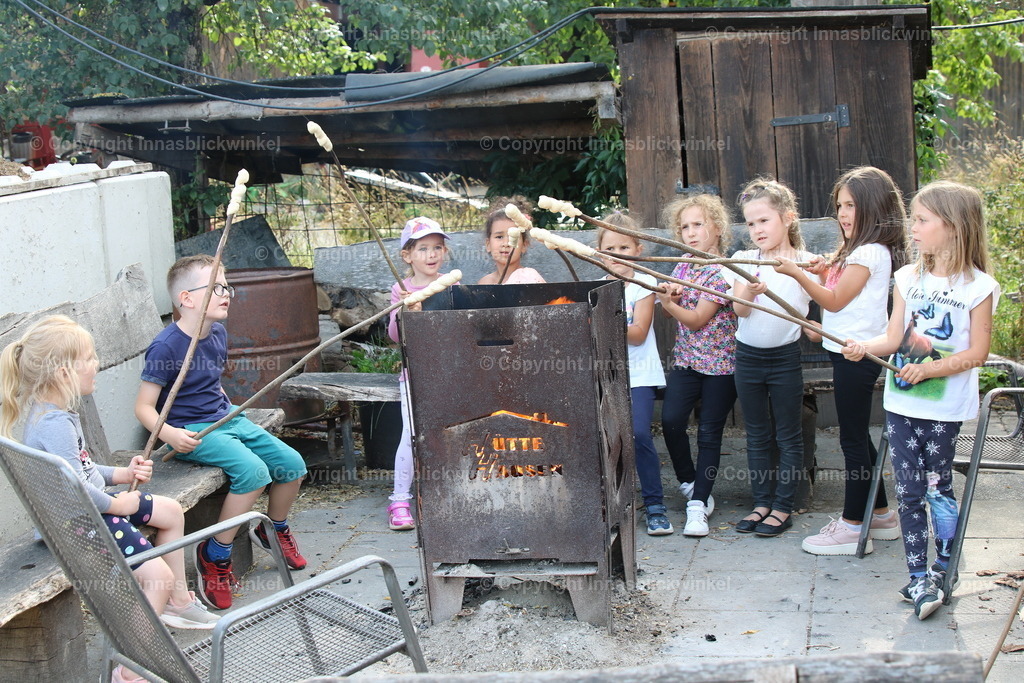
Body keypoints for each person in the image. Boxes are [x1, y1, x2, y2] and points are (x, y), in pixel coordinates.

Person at [1, 316, 219, 682]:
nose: (96, 364)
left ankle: (179, 605)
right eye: (89, 358)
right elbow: (76, 490)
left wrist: (122, 474)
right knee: (157, 578)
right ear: (63, 372)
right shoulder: (53, 424)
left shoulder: (54, 413)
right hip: (78, 521)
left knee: (168, 511)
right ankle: (131, 669)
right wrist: (118, 504)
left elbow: (80, 470)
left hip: (88, 508)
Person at [843, 180, 998, 620]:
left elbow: (977, 354)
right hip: (901, 403)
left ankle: (943, 571)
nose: (912, 227)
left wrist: (929, 368)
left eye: (922, 220)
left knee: (937, 488)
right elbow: (893, 337)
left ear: (951, 227)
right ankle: (917, 578)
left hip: (944, 409)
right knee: (908, 491)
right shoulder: (907, 277)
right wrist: (863, 346)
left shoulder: (979, 286)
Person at [135, 255, 308, 612]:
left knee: (292, 464)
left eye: (226, 286)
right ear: (186, 298)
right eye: (215, 287)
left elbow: (209, 383)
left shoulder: (216, 332)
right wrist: (171, 434)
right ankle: (215, 553)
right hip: (189, 431)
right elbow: (143, 408)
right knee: (253, 472)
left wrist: (229, 410)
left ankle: (273, 527)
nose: (226, 293)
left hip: (224, 416)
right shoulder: (166, 347)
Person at [774, 167, 908, 555]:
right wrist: (823, 268)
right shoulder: (859, 251)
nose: (843, 213)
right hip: (850, 352)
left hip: (860, 354)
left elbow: (834, 300)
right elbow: (839, 285)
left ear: (874, 207)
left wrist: (798, 272)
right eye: (840, 206)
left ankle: (852, 525)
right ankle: (880, 514)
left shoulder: (868, 251)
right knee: (857, 435)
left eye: (851, 205)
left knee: (850, 439)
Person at [731, 178, 815, 537]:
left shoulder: (808, 263)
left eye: (764, 220)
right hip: (747, 358)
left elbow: (822, 300)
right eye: (750, 223)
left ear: (788, 218)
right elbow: (739, 310)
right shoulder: (741, 260)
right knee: (756, 434)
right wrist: (748, 289)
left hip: (784, 360)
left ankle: (783, 507)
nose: (757, 230)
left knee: (788, 435)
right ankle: (761, 502)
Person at [656, 195, 738, 537]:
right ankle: (690, 482)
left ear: (717, 228)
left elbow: (695, 319)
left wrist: (667, 304)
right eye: (684, 226)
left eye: (698, 225)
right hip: (688, 360)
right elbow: (676, 308)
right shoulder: (685, 264)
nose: (690, 233)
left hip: (721, 365)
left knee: (709, 432)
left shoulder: (723, 270)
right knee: (671, 421)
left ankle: (697, 507)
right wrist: (670, 297)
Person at [597, 212, 671, 535]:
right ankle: (615, 503)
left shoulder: (644, 284)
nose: (617, 254)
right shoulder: (597, 289)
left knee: (639, 434)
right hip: (608, 375)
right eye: (610, 247)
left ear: (638, 249)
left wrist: (601, 322)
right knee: (611, 439)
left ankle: (655, 504)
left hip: (639, 374)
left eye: (624, 247)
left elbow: (639, 332)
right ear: (600, 253)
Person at [387, 216, 457, 530]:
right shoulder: (401, 289)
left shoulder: (452, 284)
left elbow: (458, 327)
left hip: (449, 373)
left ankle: (446, 492)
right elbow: (394, 336)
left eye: (437, 248)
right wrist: (404, 311)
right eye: (424, 248)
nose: (432, 255)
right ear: (408, 255)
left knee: (448, 432)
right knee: (411, 435)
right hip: (414, 375)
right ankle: (400, 500)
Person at [477, 196, 546, 285]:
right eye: (499, 237)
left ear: (524, 245)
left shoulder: (531, 279)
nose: (506, 244)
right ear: (488, 245)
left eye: (513, 237)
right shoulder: (485, 283)